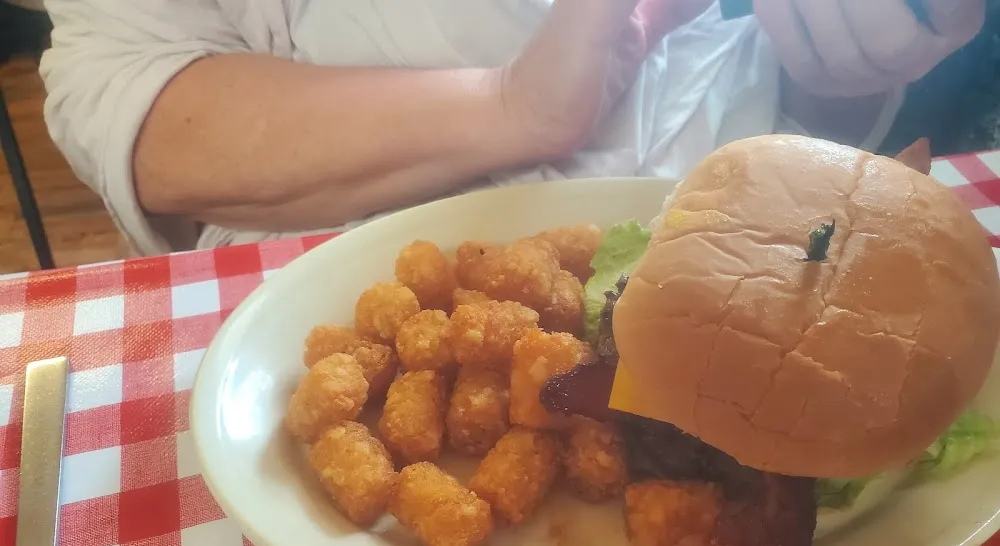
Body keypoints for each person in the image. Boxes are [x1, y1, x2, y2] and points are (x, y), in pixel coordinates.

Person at [38, 0, 985, 257]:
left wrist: (849, 68)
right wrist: (514, 106)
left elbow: (759, 71)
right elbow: (133, 99)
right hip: (317, 277)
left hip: (735, 229)